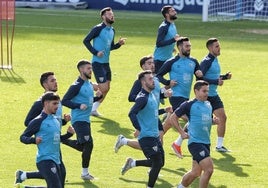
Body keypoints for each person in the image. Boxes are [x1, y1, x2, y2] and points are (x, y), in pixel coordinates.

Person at [15, 72, 73, 188]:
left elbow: (57, 134)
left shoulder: (54, 115)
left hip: (54, 148)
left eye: (56, 80)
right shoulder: (39, 106)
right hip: (45, 153)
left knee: (58, 178)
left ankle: (25, 182)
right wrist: (36, 136)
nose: (56, 82)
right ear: (45, 84)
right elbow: (27, 124)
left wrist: (67, 130)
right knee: (55, 181)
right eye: (52, 80)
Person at [114, 55, 172, 152]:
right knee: (154, 145)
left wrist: (164, 94)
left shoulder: (155, 80)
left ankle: (125, 144)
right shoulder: (140, 82)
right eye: (149, 63)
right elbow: (131, 97)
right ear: (143, 67)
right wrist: (143, 98)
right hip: (146, 115)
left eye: (153, 63)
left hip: (154, 113)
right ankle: (126, 144)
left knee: (158, 143)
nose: (152, 65)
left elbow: (156, 95)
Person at [156, 37, 203, 158]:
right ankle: (177, 143)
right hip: (176, 96)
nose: (189, 48)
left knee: (170, 122)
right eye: (187, 46)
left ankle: (156, 138)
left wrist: (199, 75)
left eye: (190, 46)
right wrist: (168, 82)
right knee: (193, 119)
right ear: (179, 47)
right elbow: (159, 75)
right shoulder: (172, 62)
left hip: (186, 97)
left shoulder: (193, 61)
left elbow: (200, 82)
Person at [121, 70, 165, 188]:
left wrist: (165, 110)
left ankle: (132, 163)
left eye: (153, 78)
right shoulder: (142, 98)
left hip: (154, 136)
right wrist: (138, 128)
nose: (153, 81)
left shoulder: (151, 95)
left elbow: (152, 112)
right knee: (157, 162)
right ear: (143, 82)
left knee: (160, 162)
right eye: (150, 79)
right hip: (146, 137)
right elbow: (132, 113)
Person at [169, 80, 217, 188]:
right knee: (209, 170)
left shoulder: (208, 104)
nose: (206, 93)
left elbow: (207, 120)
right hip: (195, 143)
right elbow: (173, 118)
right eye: (204, 91)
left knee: (195, 173)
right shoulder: (189, 104)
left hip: (206, 142)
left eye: (207, 91)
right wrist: (181, 132)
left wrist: (214, 121)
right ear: (196, 91)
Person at [62, 60, 101, 180]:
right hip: (78, 120)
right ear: (81, 70)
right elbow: (65, 100)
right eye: (88, 69)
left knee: (83, 146)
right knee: (88, 144)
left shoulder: (89, 84)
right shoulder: (76, 86)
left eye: (91, 69)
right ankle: (85, 173)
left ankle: (62, 139)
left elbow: (88, 101)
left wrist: (98, 97)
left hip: (86, 120)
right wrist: (78, 106)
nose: (91, 71)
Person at [83, 7, 126, 116]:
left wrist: (118, 44)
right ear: (103, 16)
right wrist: (95, 52)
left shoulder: (112, 30)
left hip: (106, 63)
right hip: (97, 63)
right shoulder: (97, 29)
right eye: (109, 14)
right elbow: (86, 41)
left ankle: (93, 109)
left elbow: (110, 47)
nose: (112, 16)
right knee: (103, 88)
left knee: (107, 89)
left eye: (112, 14)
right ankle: (86, 84)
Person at [200, 38, 232, 152]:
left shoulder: (214, 59)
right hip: (205, 95)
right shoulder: (207, 61)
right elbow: (199, 77)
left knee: (223, 118)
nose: (219, 48)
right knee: (200, 121)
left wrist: (224, 77)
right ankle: (178, 141)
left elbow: (213, 77)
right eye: (216, 46)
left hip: (213, 95)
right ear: (210, 48)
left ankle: (219, 146)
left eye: (219, 46)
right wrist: (215, 82)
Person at [153, 5, 180, 74]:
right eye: (172, 11)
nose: (175, 12)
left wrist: (172, 48)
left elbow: (167, 38)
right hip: (160, 59)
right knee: (155, 79)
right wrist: (173, 40)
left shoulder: (172, 24)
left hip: (169, 57)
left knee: (175, 75)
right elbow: (158, 43)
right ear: (167, 14)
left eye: (174, 10)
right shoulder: (164, 27)